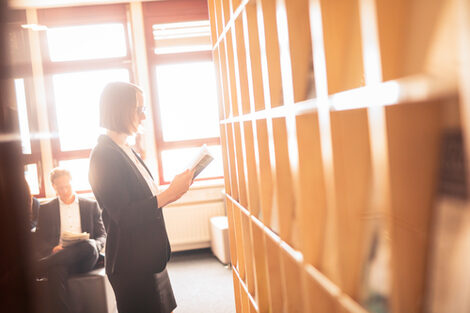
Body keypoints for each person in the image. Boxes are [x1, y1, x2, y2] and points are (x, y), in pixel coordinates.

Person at [89, 81, 194, 313]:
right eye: (140, 109)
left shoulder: (125, 148)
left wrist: (172, 189)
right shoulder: (103, 155)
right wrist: (169, 194)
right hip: (131, 264)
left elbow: (142, 196)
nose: (144, 117)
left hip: (147, 258)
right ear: (120, 109)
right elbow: (124, 215)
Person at [35, 167, 106, 313]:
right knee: (55, 271)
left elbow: (102, 235)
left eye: (67, 186)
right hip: (60, 256)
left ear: (72, 183)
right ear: (54, 187)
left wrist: (95, 245)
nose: (65, 191)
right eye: (60, 188)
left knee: (88, 245)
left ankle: (40, 267)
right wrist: (53, 249)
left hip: (86, 255)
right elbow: (39, 239)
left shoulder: (90, 205)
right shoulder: (46, 209)